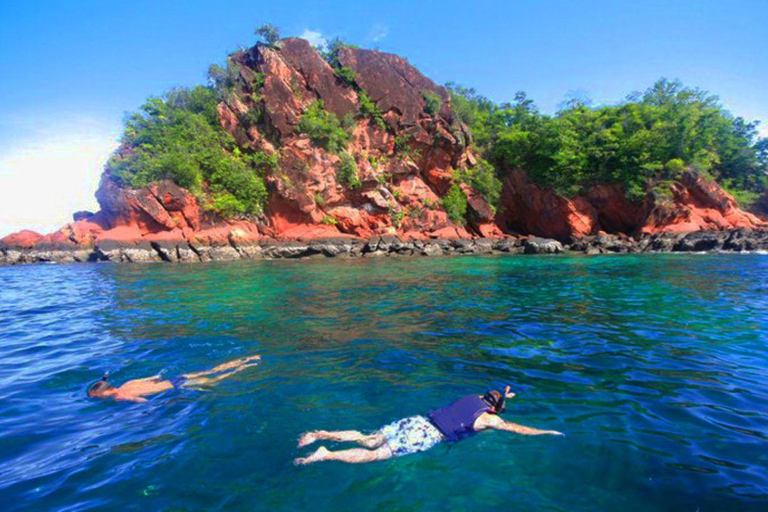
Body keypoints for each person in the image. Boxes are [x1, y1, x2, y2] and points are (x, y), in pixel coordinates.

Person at [295, 386, 563, 465]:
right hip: (429, 434)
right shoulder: (491, 419)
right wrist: (545, 431)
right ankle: (325, 454)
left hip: (418, 420)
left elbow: (493, 397)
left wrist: (506, 394)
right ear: (496, 409)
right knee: (376, 454)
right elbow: (517, 428)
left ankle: (321, 433)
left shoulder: (472, 396)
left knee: (369, 438)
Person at [86, 355, 261, 403]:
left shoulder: (121, 397)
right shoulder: (128, 383)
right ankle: (247, 359)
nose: (98, 399)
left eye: (97, 396)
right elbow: (154, 377)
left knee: (218, 379)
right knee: (212, 370)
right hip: (176, 378)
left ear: (106, 392)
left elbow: (144, 403)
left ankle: (244, 367)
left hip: (180, 386)